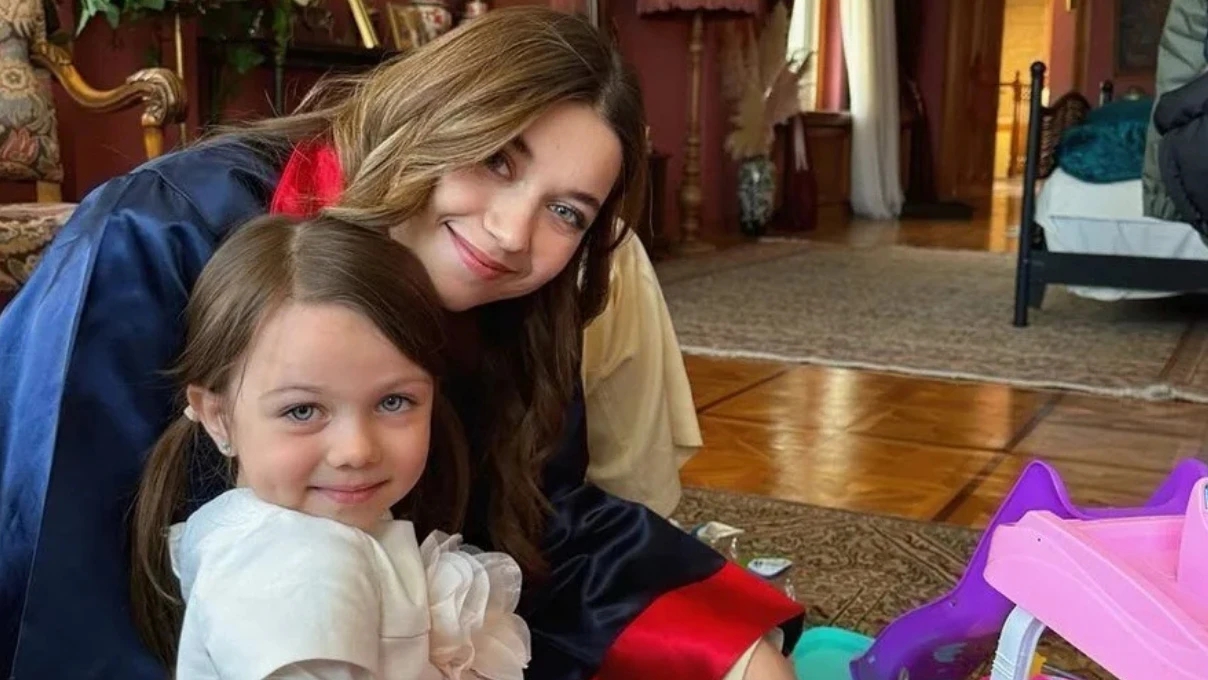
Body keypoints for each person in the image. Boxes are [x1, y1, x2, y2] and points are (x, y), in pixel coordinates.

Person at [0, 7, 803, 679]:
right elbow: (56, 567)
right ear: (428, 117)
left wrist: (729, 649)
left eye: (567, 212)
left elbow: (540, 520)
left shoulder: (511, 301)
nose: (511, 232)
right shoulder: (157, 235)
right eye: (496, 159)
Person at [134, 213, 529, 678]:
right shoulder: (286, 569)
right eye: (302, 411)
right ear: (218, 416)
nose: (356, 450)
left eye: (394, 401)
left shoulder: (311, 534)